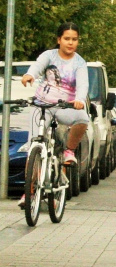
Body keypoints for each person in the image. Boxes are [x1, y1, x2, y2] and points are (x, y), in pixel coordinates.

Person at [18, 22, 91, 206]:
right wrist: (30, 76)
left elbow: (83, 84)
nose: (70, 43)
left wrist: (80, 100)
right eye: (67, 39)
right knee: (34, 145)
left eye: (74, 39)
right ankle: (29, 193)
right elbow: (37, 67)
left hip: (65, 106)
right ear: (59, 40)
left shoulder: (80, 63)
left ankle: (68, 150)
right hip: (42, 105)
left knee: (83, 119)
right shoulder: (48, 56)